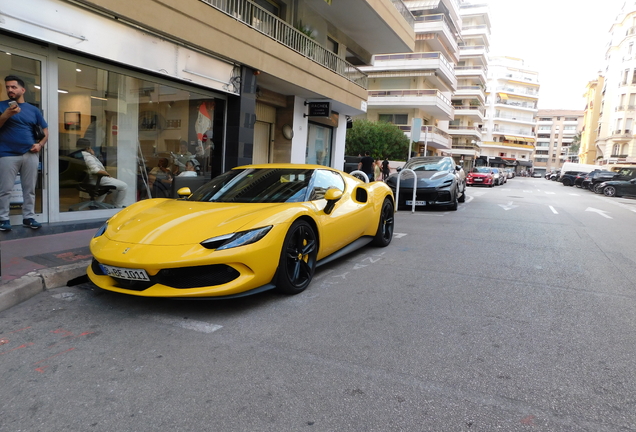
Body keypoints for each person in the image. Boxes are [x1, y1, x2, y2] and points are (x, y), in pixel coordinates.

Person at [0, 75, 48, 231]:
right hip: (7, 153)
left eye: (13, 87)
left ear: (22, 90)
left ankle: (28, 217)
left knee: (29, 189)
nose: (10, 90)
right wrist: (6, 114)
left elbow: (46, 131)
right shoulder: (1, 106)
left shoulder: (33, 110)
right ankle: (3, 219)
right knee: (5, 189)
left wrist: (40, 145)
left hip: (30, 154)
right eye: (7, 87)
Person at [78, 139, 127, 208]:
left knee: (110, 186)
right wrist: (106, 174)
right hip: (97, 179)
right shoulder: (88, 157)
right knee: (124, 186)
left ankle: (96, 204)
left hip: (89, 180)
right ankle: (118, 206)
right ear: (87, 148)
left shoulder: (80, 156)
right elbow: (95, 170)